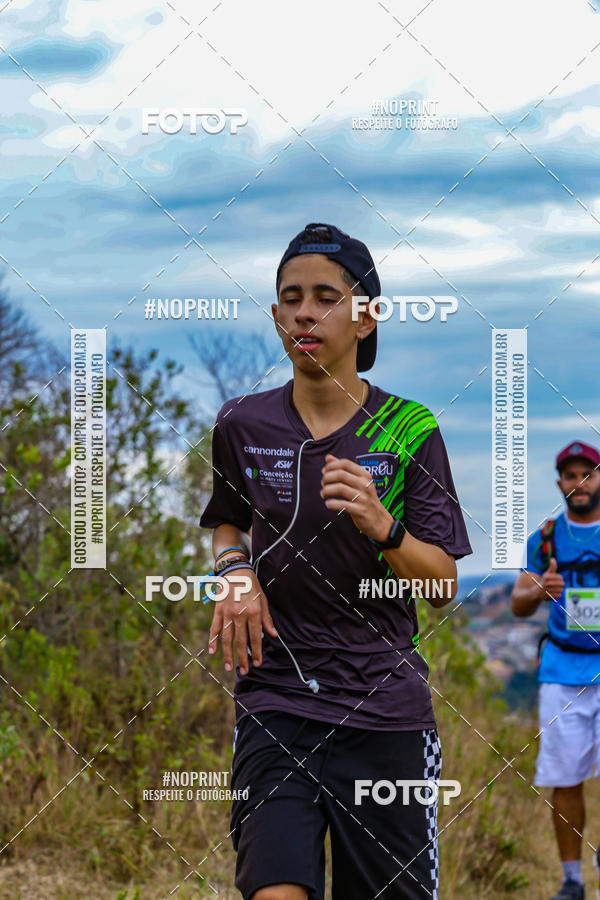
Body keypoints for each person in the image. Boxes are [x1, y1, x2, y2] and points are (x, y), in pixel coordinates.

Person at [199, 222, 472, 900]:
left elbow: (442, 584)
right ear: (274, 315)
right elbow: (227, 521)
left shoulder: (410, 430)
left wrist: (384, 526)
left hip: (384, 717)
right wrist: (234, 574)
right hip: (278, 701)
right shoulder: (242, 424)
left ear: (366, 316)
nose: (304, 313)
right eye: (290, 298)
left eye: (325, 296)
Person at [511, 441, 600, 900]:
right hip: (563, 671)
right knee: (565, 779)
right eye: (570, 475)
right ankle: (571, 879)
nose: (579, 483)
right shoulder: (544, 539)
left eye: (588, 474)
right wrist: (540, 590)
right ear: (559, 482)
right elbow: (517, 603)